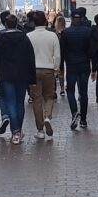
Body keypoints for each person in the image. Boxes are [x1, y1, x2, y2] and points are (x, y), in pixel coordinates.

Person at [0, 11, 37, 145]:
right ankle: (18, 130)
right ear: (17, 24)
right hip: (22, 75)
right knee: (20, 102)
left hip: (6, 75)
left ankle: (15, 132)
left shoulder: (1, 39)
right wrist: (32, 78)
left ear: (5, 24)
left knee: (11, 102)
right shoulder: (24, 38)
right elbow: (30, 58)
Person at [58, 6, 98, 131]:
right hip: (84, 64)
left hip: (71, 65)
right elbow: (92, 51)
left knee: (70, 90)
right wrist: (94, 67)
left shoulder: (66, 32)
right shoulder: (88, 31)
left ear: (71, 18)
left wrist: (61, 67)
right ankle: (84, 120)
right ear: (81, 18)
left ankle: (74, 112)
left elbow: (62, 51)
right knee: (83, 92)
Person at [26, 9, 61, 141]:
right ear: (45, 21)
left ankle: (40, 129)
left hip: (33, 70)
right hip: (48, 69)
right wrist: (56, 69)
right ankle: (47, 116)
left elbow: (26, 56)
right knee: (49, 96)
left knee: (36, 99)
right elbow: (57, 55)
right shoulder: (52, 36)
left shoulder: (29, 36)